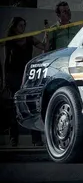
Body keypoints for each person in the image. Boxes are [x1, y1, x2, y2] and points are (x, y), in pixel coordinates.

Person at [4, 17, 49, 146]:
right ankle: (13, 138)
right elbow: (6, 60)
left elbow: (45, 47)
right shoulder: (9, 41)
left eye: (24, 25)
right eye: (20, 26)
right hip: (13, 77)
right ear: (14, 27)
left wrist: (46, 32)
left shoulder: (29, 39)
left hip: (27, 76)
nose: (23, 28)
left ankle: (36, 139)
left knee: (30, 106)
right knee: (14, 108)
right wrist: (5, 80)